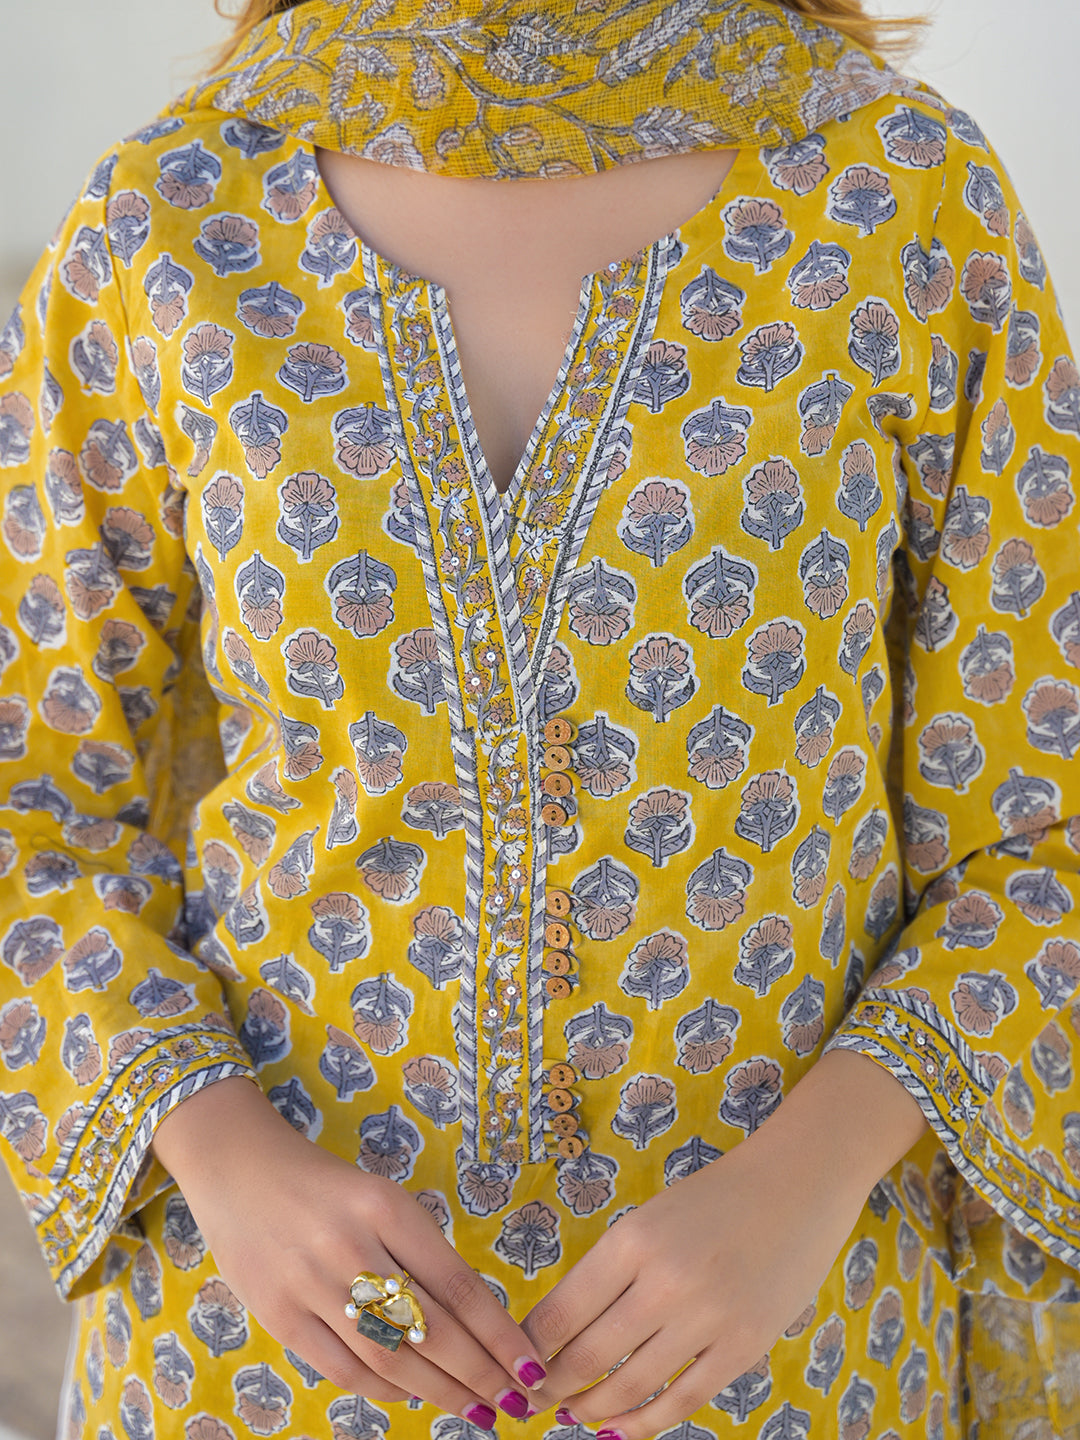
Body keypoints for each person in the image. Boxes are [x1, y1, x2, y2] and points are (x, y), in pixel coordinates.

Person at [0, 0, 1078, 1436]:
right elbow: (34, 805)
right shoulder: (172, 218)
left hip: (785, 1347)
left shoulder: (898, 193)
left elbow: (1042, 825)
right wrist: (225, 1157)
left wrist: (808, 1175)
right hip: (255, 1354)